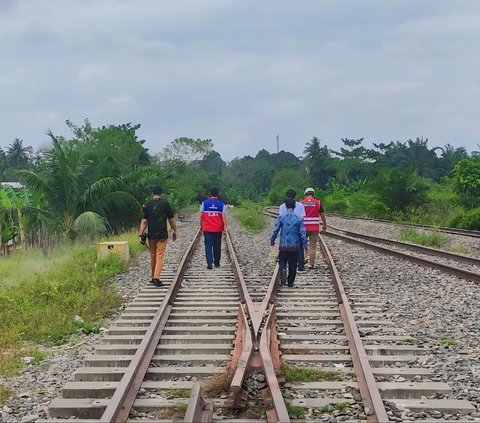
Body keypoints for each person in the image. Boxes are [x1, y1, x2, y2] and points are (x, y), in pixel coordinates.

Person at [139, 186, 177, 287]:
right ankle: (156, 278)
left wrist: (140, 234)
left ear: (152, 193)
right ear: (162, 194)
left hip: (151, 235)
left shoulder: (147, 205)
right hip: (162, 234)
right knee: (159, 255)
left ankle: (153, 277)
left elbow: (144, 221)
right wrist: (174, 230)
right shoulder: (165, 204)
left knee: (152, 256)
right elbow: (171, 220)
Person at [271, 198, 308, 287]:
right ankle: (290, 282)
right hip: (295, 246)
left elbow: (275, 230)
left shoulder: (281, 217)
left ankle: (283, 269)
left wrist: (273, 240)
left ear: (286, 206)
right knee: (293, 263)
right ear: (295, 206)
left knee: (282, 260)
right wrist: (305, 245)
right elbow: (303, 233)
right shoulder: (298, 219)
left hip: (284, 245)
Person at [278, 189, 307, 271]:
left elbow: (280, 218)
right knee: (299, 247)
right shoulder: (300, 205)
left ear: (286, 196)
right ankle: (300, 265)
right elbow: (302, 218)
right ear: (295, 196)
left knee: (283, 249)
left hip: (285, 232)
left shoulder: (282, 206)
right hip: (296, 230)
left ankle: (283, 268)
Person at [200, 187, 227, 269]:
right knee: (217, 245)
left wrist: (201, 226)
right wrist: (225, 227)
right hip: (218, 229)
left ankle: (209, 263)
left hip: (207, 228)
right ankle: (217, 263)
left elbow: (201, 216)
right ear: (217, 194)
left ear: (210, 193)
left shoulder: (204, 203)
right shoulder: (221, 204)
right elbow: (223, 217)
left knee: (208, 245)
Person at [300, 187, 327, 269]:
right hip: (314, 227)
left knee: (302, 244)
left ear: (305, 194)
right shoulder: (318, 203)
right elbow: (322, 215)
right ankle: (311, 264)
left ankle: (304, 258)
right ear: (313, 194)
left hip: (303, 227)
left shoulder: (301, 203)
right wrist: (325, 225)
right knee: (313, 246)